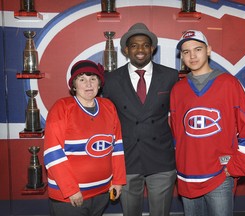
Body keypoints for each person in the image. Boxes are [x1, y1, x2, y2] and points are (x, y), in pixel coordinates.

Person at [170, 30, 245, 216]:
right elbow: (177, 134)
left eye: (197, 49)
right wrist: (180, 165)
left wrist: (234, 168)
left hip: (220, 175)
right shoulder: (178, 89)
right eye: (186, 52)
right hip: (188, 175)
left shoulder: (229, 84)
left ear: (208, 50)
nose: (192, 56)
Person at [102, 23, 178, 216]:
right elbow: (104, 120)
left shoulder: (171, 76)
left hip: (161, 158)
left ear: (152, 48)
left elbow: (180, 115)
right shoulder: (110, 80)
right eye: (134, 45)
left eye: (145, 45)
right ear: (126, 50)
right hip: (126, 159)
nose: (140, 50)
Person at [43, 60, 126, 216]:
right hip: (71, 196)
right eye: (82, 79)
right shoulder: (62, 108)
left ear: (100, 83)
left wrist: (118, 181)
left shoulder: (108, 106)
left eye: (93, 79)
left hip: (102, 192)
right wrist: (70, 190)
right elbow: (53, 154)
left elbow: (117, 147)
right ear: (74, 85)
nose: (88, 84)